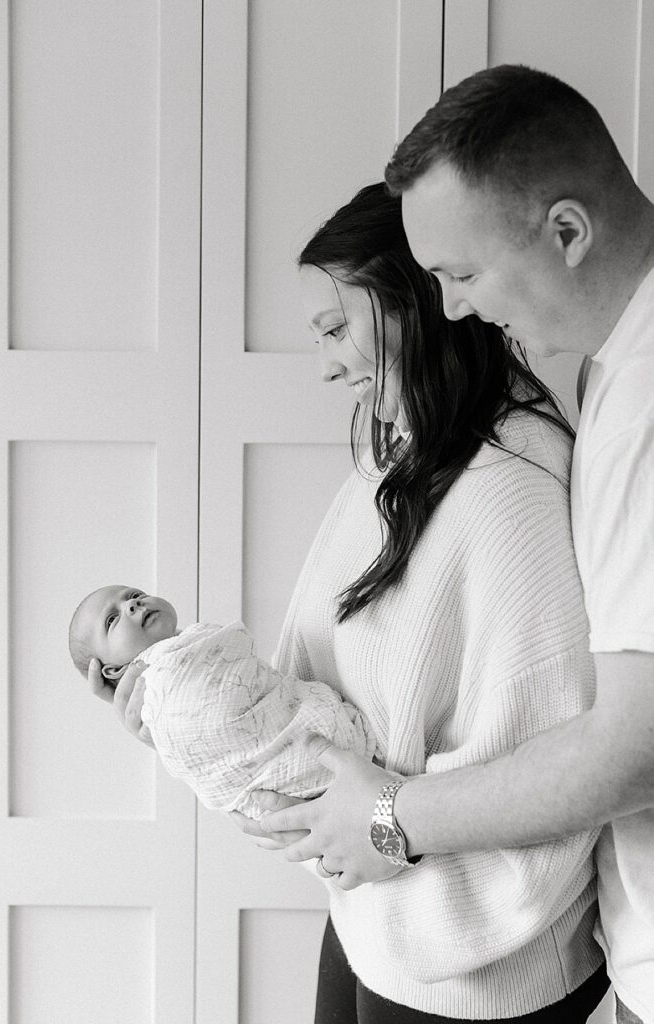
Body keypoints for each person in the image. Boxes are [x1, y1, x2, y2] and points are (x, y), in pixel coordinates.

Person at [91, 182, 609, 1021]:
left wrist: (376, 823)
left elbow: (557, 770)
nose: (327, 363)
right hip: (380, 915)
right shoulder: (398, 451)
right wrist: (181, 704)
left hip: (476, 961)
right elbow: (322, 688)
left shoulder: (511, 486)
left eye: (336, 329)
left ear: (423, 301)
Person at [255, 67, 654, 1024]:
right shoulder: (612, 370)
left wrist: (387, 818)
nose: (456, 309)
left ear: (565, 231)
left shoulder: (610, 423)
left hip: (500, 950)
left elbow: (628, 745)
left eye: (463, 275)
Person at [69, 584, 374, 816]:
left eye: (134, 595)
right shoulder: (157, 703)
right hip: (308, 791)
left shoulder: (200, 645)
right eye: (112, 620)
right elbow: (205, 750)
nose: (132, 604)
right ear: (111, 670)